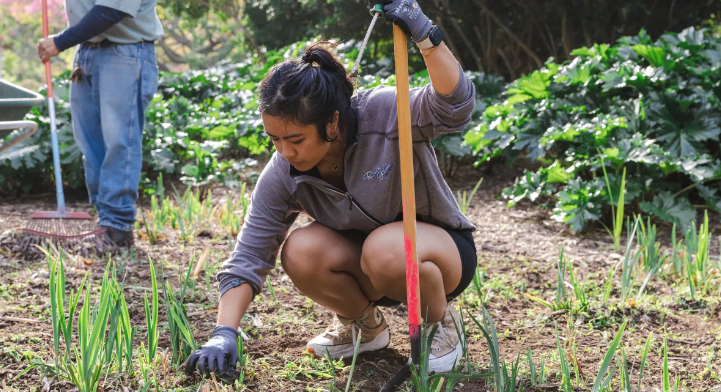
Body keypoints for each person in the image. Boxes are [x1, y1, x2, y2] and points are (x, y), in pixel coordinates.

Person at [185, 0, 478, 380]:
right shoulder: (284, 172)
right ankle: (364, 327)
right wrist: (224, 332)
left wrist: (426, 36)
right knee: (300, 250)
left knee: (386, 247)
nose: (285, 151)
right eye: (273, 139)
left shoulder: (384, 112)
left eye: (295, 139)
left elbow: (455, 106)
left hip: (439, 257)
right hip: (371, 268)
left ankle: (441, 325)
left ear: (333, 121)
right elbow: (249, 255)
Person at [37, 0, 162, 247]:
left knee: (119, 141)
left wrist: (59, 42)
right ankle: (105, 220)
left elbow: (111, 10)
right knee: (90, 142)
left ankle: (117, 228)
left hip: (125, 52)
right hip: (87, 52)